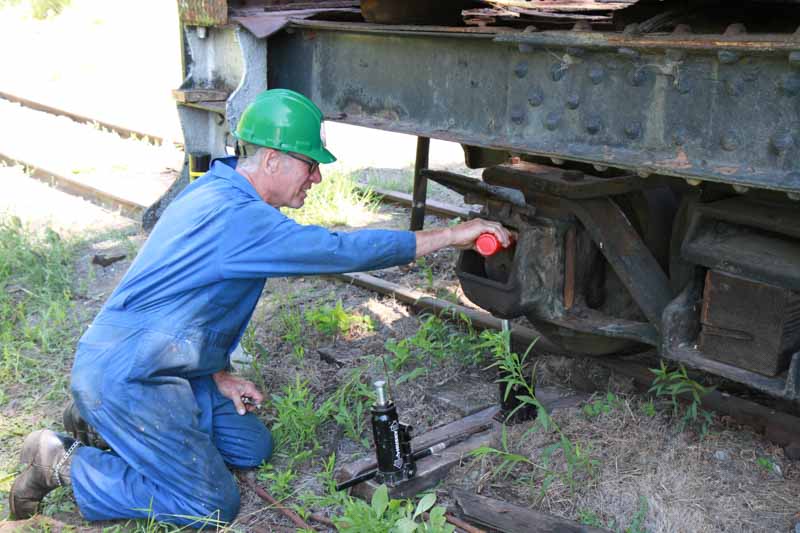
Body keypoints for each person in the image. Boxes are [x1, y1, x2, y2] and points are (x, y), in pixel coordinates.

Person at [9, 89, 512, 526]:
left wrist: (217, 374)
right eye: (310, 164)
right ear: (271, 160)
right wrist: (449, 235)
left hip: (163, 366)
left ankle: (104, 425)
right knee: (209, 503)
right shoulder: (238, 218)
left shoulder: (221, 185)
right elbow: (339, 251)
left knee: (251, 448)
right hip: (128, 374)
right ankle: (59, 461)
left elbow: (194, 303)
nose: (315, 177)